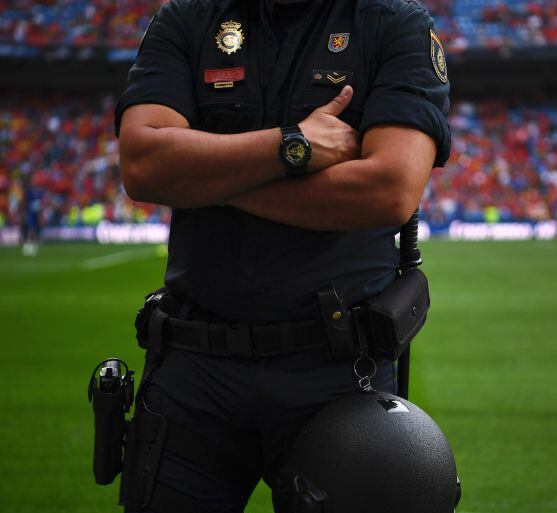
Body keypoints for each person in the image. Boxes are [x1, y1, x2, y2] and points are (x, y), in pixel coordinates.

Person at [114, 0, 451, 511]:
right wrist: (290, 147)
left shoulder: (394, 24)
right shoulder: (187, 18)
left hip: (339, 371)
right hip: (195, 367)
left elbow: (389, 190)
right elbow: (143, 164)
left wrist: (209, 177)